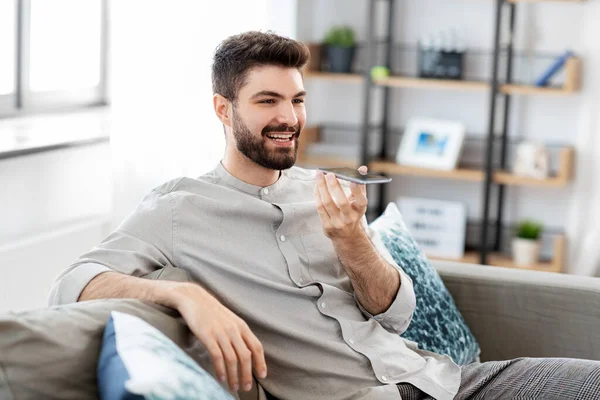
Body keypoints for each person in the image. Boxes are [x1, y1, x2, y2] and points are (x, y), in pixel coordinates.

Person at [49, 31, 600, 400]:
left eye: (298, 100)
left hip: (448, 382)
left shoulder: (327, 190)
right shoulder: (177, 210)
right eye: (268, 101)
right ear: (224, 109)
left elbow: (397, 315)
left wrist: (354, 241)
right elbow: (70, 284)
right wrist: (186, 296)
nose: (290, 118)